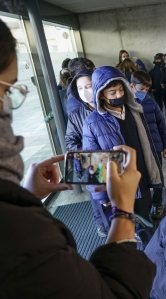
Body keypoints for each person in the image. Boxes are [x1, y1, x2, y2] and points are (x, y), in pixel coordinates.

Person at [0, 4, 155, 297]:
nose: (7, 111)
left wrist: (24, 197)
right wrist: (122, 210)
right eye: (7, 90)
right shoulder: (5, 239)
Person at [82, 66, 163, 243]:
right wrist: (102, 196)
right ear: (101, 94)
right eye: (112, 92)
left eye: (120, 90)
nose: (118, 95)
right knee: (125, 230)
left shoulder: (134, 110)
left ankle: (153, 257)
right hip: (117, 187)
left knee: (145, 221)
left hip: (140, 176)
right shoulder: (92, 123)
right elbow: (92, 164)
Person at [65, 69, 109, 237]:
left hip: (117, 161)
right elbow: (70, 141)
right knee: (99, 198)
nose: (85, 91)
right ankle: (103, 225)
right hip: (93, 163)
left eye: (89, 86)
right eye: (80, 88)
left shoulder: (110, 106)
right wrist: (90, 154)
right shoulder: (76, 114)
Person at [130, 70, 166, 220]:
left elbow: (162, 125)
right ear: (132, 86)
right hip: (139, 151)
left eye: (147, 90)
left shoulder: (151, 102)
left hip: (155, 148)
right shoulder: (126, 105)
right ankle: (145, 207)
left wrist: (165, 147)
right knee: (142, 180)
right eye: (141, 89)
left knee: (157, 177)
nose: (144, 93)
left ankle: (158, 204)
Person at [149, 53, 166, 125]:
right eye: (157, 59)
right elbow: (149, 81)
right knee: (159, 107)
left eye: (160, 59)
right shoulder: (152, 71)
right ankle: (162, 121)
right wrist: (150, 89)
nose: (158, 61)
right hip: (157, 91)